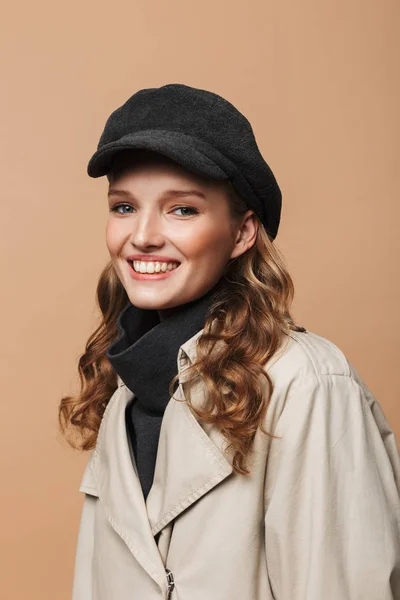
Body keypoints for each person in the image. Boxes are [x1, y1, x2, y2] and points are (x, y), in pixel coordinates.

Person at [59, 83, 400, 600]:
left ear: (242, 233)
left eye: (182, 210)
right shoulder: (123, 391)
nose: (143, 235)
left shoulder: (305, 383)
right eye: (124, 207)